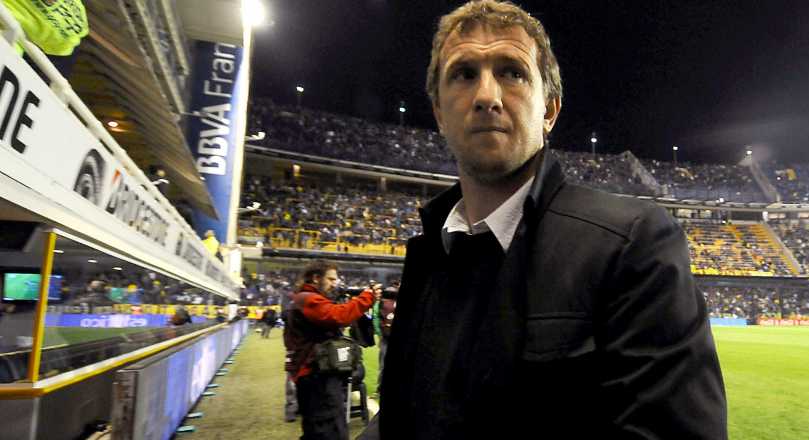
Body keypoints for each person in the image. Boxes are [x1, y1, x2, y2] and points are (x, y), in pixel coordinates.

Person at [361, 2, 726, 438]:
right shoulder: (429, 255)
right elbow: (401, 417)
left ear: (549, 110)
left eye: (512, 73)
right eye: (464, 74)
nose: (487, 97)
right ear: (439, 112)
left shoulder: (631, 243)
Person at [285, 261, 376, 440]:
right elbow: (338, 316)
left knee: (316, 431)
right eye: (331, 279)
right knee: (330, 431)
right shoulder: (308, 298)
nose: (335, 283)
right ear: (316, 278)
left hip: (314, 375)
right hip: (316, 377)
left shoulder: (304, 298)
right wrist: (366, 298)